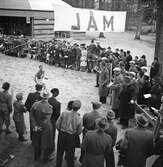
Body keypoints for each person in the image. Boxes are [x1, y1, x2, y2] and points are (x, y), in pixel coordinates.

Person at [56, 100, 82, 167]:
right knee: (70, 154)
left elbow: (57, 124)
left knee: (59, 152)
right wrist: (73, 134)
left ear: (72, 106)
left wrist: (60, 131)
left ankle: (58, 165)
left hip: (62, 134)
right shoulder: (79, 118)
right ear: (79, 108)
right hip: (71, 136)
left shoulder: (64, 113)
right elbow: (79, 132)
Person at [30, 90, 53, 163]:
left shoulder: (35, 104)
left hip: (36, 126)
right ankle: (45, 159)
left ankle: (36, 157)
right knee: (45, 143)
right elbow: (46, 120)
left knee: (37, 142)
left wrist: (34, 125)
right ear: (48, 98)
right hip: (45, 128)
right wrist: (41, 127)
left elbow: (31, 115)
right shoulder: (49, 107)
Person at [48, 88, 61, 152]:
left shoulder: (47, 100)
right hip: (52, 120)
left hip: (46, 119)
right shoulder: (57, 103)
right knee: (52, 135)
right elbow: (58, 114)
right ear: (57, 94)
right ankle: (51, 148)